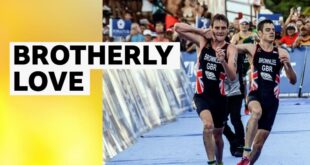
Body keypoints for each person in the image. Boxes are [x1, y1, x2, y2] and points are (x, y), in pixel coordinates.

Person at [175, 14, 238, 165]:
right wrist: (201, 31)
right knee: (207, 125)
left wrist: (222, 61)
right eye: (217, 28)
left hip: (220, 99)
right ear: (211, 28)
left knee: (218, 136)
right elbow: (177, 27)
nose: (220, 31)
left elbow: (232, 77)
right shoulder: (203, 41)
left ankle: (220, 161)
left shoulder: (231, 49)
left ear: (228, 30)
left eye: (223, 28)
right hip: (201, 96)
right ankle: (211, 162)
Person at [236, 19, 297, 165]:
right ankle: (245, 153)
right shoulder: (253, 49)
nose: (272, 32)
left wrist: (287, 65)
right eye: (268, 30)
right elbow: (230, 47)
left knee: (258, 146)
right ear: (260, 33)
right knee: (256, 112)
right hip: (255, 94)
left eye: (273, 30)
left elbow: (293, 80)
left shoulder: (281, 52)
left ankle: (248, 163)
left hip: (272, 101)